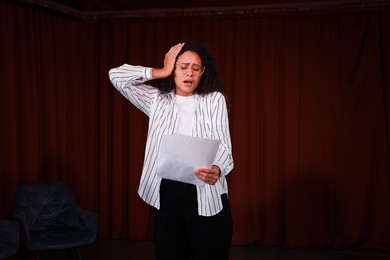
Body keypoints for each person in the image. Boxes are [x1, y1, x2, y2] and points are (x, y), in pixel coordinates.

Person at [109, 42, 234, 260]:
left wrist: (217, 168)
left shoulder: (214, 100)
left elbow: (224, 145)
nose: (190, 73)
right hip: (168, 194)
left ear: (203, 73)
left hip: (206, 192)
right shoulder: (157, 100)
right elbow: (116, 76)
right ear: (173, 70)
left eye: (196, 68)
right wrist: (160, 71)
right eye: (183, 66)